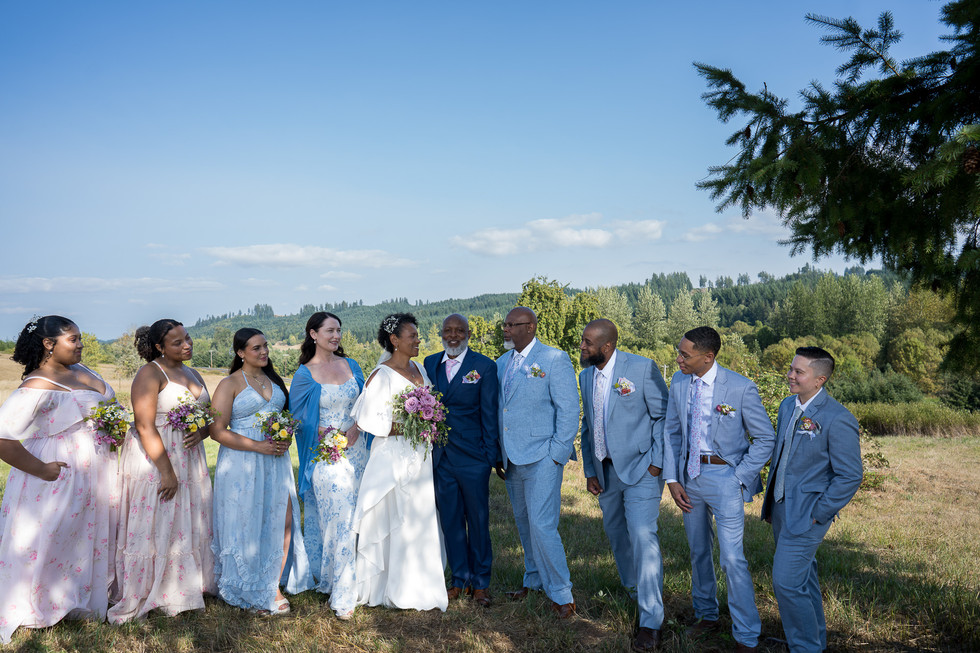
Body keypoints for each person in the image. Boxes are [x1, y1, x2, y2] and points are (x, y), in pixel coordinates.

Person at [0, 316, 118, 643]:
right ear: (48, 344)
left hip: (96, 471)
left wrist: (115, 432)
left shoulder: (86, 372)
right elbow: (3, 439)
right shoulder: (37, 384)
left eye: (80, 338)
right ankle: (40, 604)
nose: (80, 345)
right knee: (51, 537)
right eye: (73, 340)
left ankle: (81, 599)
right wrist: (43, 470)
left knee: (87, 534)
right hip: (56, 473)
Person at [663, 326, 775, 653]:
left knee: (732, 559)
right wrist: (672, 479)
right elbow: (671, 432)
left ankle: (746, 634)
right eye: (679, 352)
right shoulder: (679, 382)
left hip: (725, 477)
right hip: (688, 479)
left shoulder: (741, 388)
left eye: (685, 354)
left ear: (708, 357)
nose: (678, 359)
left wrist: (739, 477)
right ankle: (706, 616)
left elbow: (765, 438)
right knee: (698, 551)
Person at [109, 319, 216, 623]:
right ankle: (150, 589)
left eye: (188, 338)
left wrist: (202, 431)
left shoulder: (194, 373)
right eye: (178, 342)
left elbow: (208, 418)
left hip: (189, 456)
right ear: (159, 347)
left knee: (186, 520)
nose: (187, 345)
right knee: (159, 519)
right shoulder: (149, 373)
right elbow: (144, 425)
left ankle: (188, 585)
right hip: (158, 457)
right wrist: (167, 472)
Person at [760, 347, 862, 653]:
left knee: (787, 582)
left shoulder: (837, 418)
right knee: (802, 579)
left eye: (799, 372)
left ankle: (804, 648)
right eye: (791, 369)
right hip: (781, 508)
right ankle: (813, 642)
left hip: (809, 513)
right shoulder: (786, 406)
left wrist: (820, 512)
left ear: (820, 379)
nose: (790, 375)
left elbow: (850, 475)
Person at [578, 319, 669, 651]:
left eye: (588, 343)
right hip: (605, 472)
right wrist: (590, 469)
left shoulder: (642, 368)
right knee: (618, 535)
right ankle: (636, 592)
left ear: (607, 346)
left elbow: (662, 416)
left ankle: (651, 622)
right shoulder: (586, 375)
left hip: (643, 468)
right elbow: (589, 423)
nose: (582, 347)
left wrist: (657, 462)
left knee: (643, 537)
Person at [209, 328, 312, 614]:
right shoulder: (229, 384)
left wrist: (285, 436)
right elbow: (216, 432)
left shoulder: (274, 381)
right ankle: (246, 584)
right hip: (242, 462)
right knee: (247, 520)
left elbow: (284, 419)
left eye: (265, 346)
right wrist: (258, 446)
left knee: (282, 518)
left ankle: (273, 582)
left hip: (276, 462)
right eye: (256, 348)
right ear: (241, 352)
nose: (264, 351)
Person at [350, 313, 447, 612]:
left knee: (419, 513)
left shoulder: (419, 368)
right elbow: (369, 420)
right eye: (413, 336)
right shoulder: (381, 374)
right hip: (392, 455)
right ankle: (392, 586)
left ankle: (421, 582)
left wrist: (429, 419)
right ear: (394, 340)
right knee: (397, 516)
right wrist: (412, 424)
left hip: (419, 453)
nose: (418, 340)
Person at [496, 306, 579, 618]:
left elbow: (569, 409)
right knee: (523, 522)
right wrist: (498, 452)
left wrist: (557, 454)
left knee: (543, 526)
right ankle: (533, 580)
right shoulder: (502, 362)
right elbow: (502, 410)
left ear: (529, 327)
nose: (505, 330)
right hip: (511, 457)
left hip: (543, 455)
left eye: (512, 325)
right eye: (504, 324)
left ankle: (562, 594)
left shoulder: (554, 359)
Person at [290, 312, 366, 619]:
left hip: (359, 452)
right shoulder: (304, 375)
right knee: (339, 519)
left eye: (339, 330)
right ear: (313, 334)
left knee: (359, 517)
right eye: (330, 330)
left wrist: (356, 429)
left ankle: (361, 581)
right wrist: (327, 437)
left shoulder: (353, 366)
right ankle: (343, 592)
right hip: (325, 455)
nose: (336, 335)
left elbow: (366, 404)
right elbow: (297, 420)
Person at [422, 314, 499, 607]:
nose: (453, 336)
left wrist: (488, 457)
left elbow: (490, 413)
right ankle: (459, 579)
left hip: (474, 458)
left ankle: (481, 583)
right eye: (448, 331)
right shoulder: (429, 363)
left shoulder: (484, 366)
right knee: (451, 521)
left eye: (459, 331)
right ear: (441, 333)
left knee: (478, 521)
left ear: (468, 333)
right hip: (441, 457)